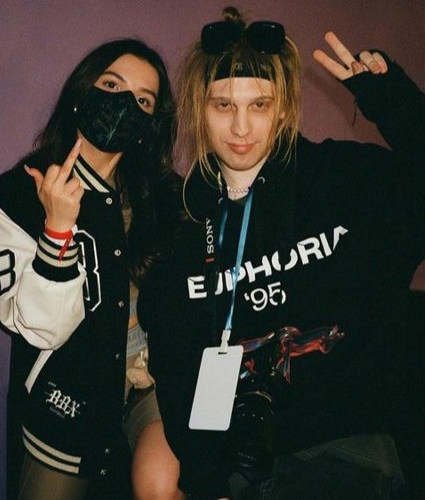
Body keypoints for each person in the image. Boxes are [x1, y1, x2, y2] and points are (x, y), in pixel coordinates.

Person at [138, 6, 424, 500]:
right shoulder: (180, 229)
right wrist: (209, 487)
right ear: (199, 109)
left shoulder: (344, 181)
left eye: (259, 104)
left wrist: (393, 100)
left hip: (351, 455)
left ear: (285, 107)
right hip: (242, 468)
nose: (241, 127)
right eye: (223, 105)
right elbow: (180, 378)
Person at [0, 38, 185, 500]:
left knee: (163, 486)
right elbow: (42, 327)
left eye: (143, 100)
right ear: (82, 89)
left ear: (150, 123)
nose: (124, 104)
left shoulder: (163, 194)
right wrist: (57, 230)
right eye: (112, 85)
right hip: (66, 405)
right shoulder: (14, 195)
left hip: (151, 382)